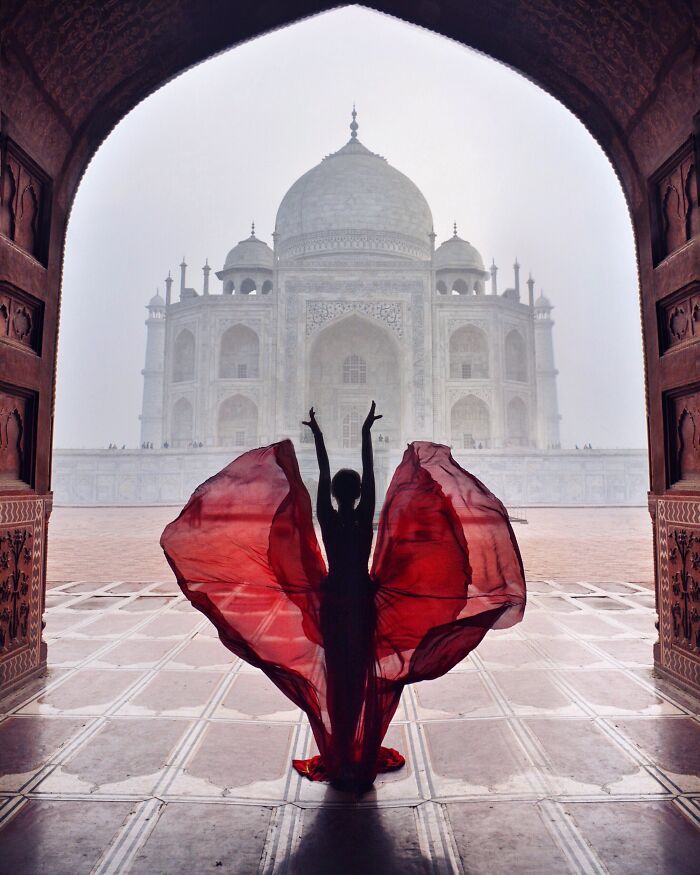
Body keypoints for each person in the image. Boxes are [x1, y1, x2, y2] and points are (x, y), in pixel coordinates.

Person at [161, 401, 526, 793]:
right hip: (362, 602)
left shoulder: (329, 521)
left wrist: (317, 436)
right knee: (361, 674)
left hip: (334, 603)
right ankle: (359, 751)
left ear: (333, 493)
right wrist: (368, 433)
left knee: (338, 676)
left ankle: (338, 750)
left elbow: (321, 474)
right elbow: (369, 475)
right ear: (358, 494)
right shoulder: (363, 516)